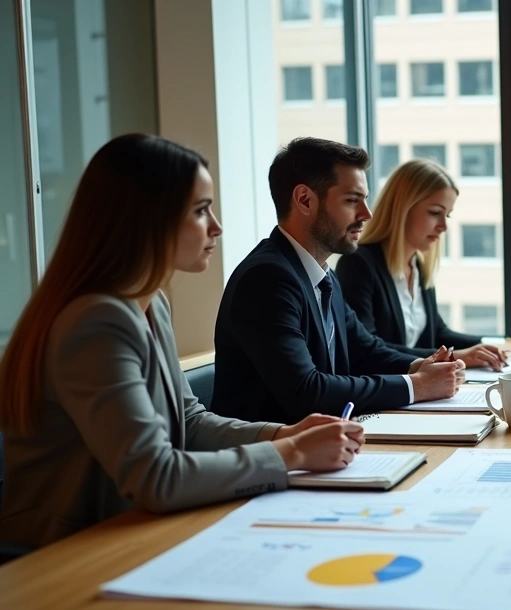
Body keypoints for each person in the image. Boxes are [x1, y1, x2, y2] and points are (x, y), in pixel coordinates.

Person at [0, 134, 363, 548]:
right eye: (200, 210)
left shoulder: (151, 302)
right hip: (66, 553)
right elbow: (155, 477)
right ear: (146, 219)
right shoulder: (96, 321)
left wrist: (285, 435)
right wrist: (292, 455)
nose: (217, 227)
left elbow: (189, 423)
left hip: (132, 531)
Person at [211, 138, 464, 425]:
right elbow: (306, 391)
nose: (366, 214)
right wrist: (417, 386)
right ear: (305, 200)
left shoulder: (321, 275)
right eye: (352, 200)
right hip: (272, 460)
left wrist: (422, 366)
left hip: (321, 449)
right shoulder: (267, 279)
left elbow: (365, 349)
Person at [335, 159, 510, 370]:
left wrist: (495, 344)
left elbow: (438, 333)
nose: (444, 226)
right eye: (435, 212)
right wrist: (453, 356)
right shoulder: (358, 264)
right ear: (402, 209)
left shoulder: (418, 265)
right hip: (387, 393)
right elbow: (367, 348)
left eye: (447, 215)